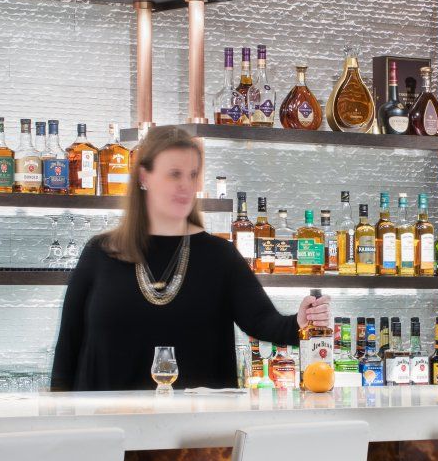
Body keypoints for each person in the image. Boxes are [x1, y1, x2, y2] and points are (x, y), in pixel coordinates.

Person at [49, 124, 329, 391]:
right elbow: (67, 349)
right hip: (110, 429)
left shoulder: (220, 257)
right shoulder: (100, 253)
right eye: (174, 174)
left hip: (194, 431)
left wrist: (300, 322)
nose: (185, 185)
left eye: (192, 175)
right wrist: (62, 419)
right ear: (144, 177)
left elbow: (264, 322)